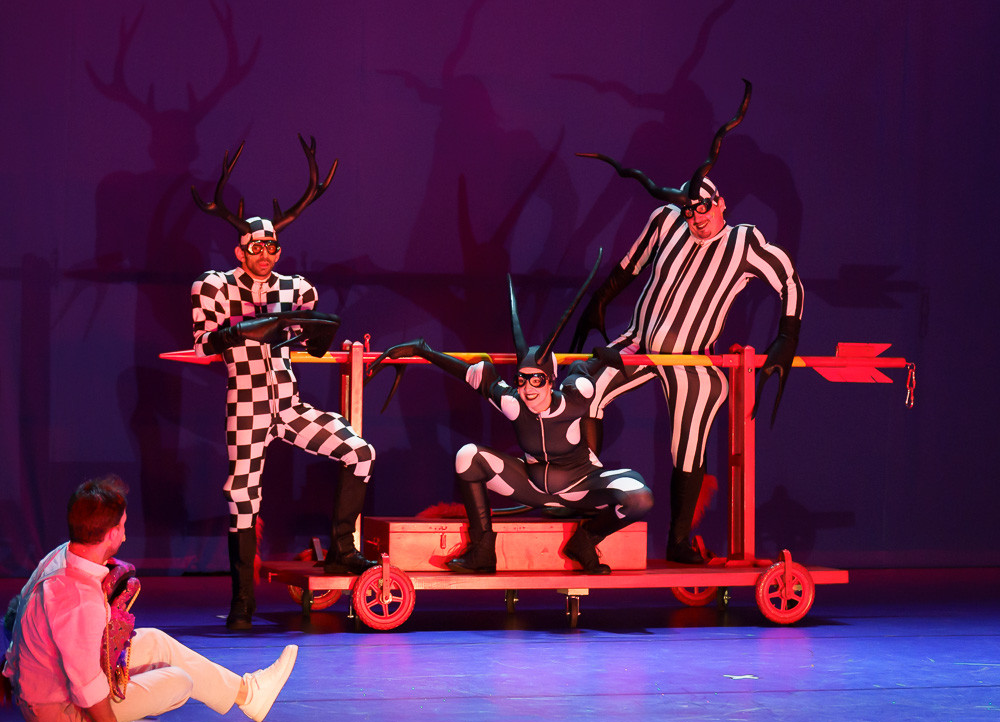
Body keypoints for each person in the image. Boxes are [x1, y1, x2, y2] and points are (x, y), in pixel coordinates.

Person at [571, 80, 803, 565]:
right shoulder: (666, 221)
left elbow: (788, 280)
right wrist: (600, 301)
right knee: (584, 393)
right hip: (637, 343)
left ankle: (678, 540)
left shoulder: (743, 241)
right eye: (688, 209)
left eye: (703, 208)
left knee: (689, 441)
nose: (695, 217)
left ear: (721, 205)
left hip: (691, 360)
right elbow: (630, 266)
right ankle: (588, 514)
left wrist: (786, 336)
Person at [191, 136, 377, 630]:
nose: (266, 254)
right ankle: (242, 601)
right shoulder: (214, 286)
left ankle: (342, 551)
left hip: (290, 405)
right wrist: (245, 330)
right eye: (257, 247)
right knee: (242, 496)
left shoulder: (296, 289)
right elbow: (206, 345)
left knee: (359, 452)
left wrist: (314, 334)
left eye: (272, 247)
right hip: (248, 405)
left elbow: (311, 339)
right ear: (240, 250)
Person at [367, 265, 653, 575]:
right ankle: (482, 550)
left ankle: (586, 540)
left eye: (537, 380)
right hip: (531, 486)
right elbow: (471, 374)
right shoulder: (514, 403)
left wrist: (600, 358)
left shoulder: (575, 397)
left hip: (581, 487)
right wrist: (423, 350)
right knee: (468, 456)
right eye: (522, 379)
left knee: (639, 498)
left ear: (551, 380)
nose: (528, 389)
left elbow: (583, 368)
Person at [1, 476, 297, 722]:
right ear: (109, 534)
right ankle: (238, 693)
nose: (125, 535)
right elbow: (85, 681)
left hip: (46, 691)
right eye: (122, 527)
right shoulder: (78, 597)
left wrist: (9, 675)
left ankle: (249, 694)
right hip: (61, 712)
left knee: (155, 640)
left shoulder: (59, 555)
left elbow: (21, 614)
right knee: (180, 681)